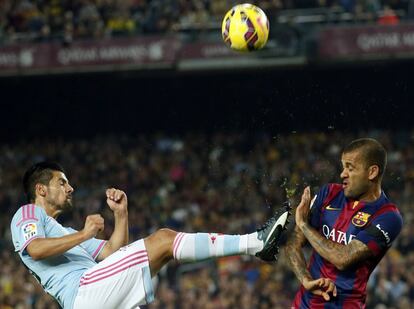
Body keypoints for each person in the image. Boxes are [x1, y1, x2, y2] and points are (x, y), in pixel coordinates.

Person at [10, 161, 291, 309]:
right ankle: (254, 243)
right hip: (83, 294)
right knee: (164, 240)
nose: (70, 188)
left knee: (162, 243)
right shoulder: (27, 214)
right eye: (62, 182)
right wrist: (84, 234)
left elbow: (112, 253)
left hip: (95, 293)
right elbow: (35, 249)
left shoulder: (66, 233)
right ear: (41, 189)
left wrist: (121, 215)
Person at [285, 138, 403, 308]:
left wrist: (304, 225)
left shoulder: (388, 216)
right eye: (343, 167)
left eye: (350, 167)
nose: (342, 174)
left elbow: (343, 258)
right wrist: (306, 279)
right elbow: (292, 245)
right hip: (304, 304)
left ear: (372, 172)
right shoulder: (328, 193)